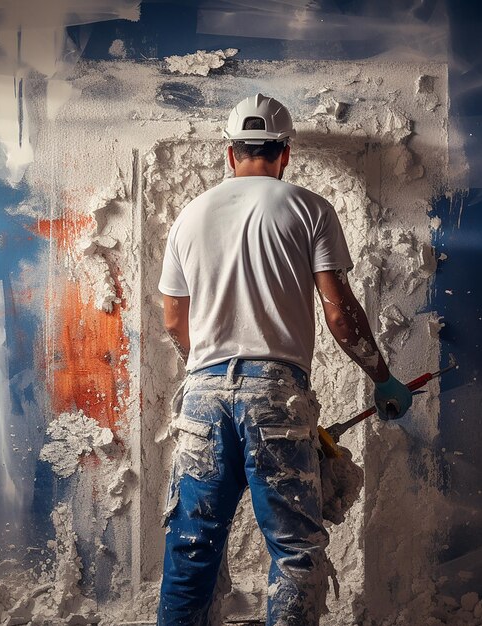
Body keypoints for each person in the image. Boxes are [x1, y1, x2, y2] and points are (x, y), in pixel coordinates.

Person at [156, 93, 412, 626]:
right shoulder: (308, 207)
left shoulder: (190, 216)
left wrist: (204, 370)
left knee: (191, 548)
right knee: (295, 551)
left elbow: (174, 322)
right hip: (275, 395)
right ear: (285, 154)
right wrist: (382, 378)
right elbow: (340, 316)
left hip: (201, 397)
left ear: (231, 154)